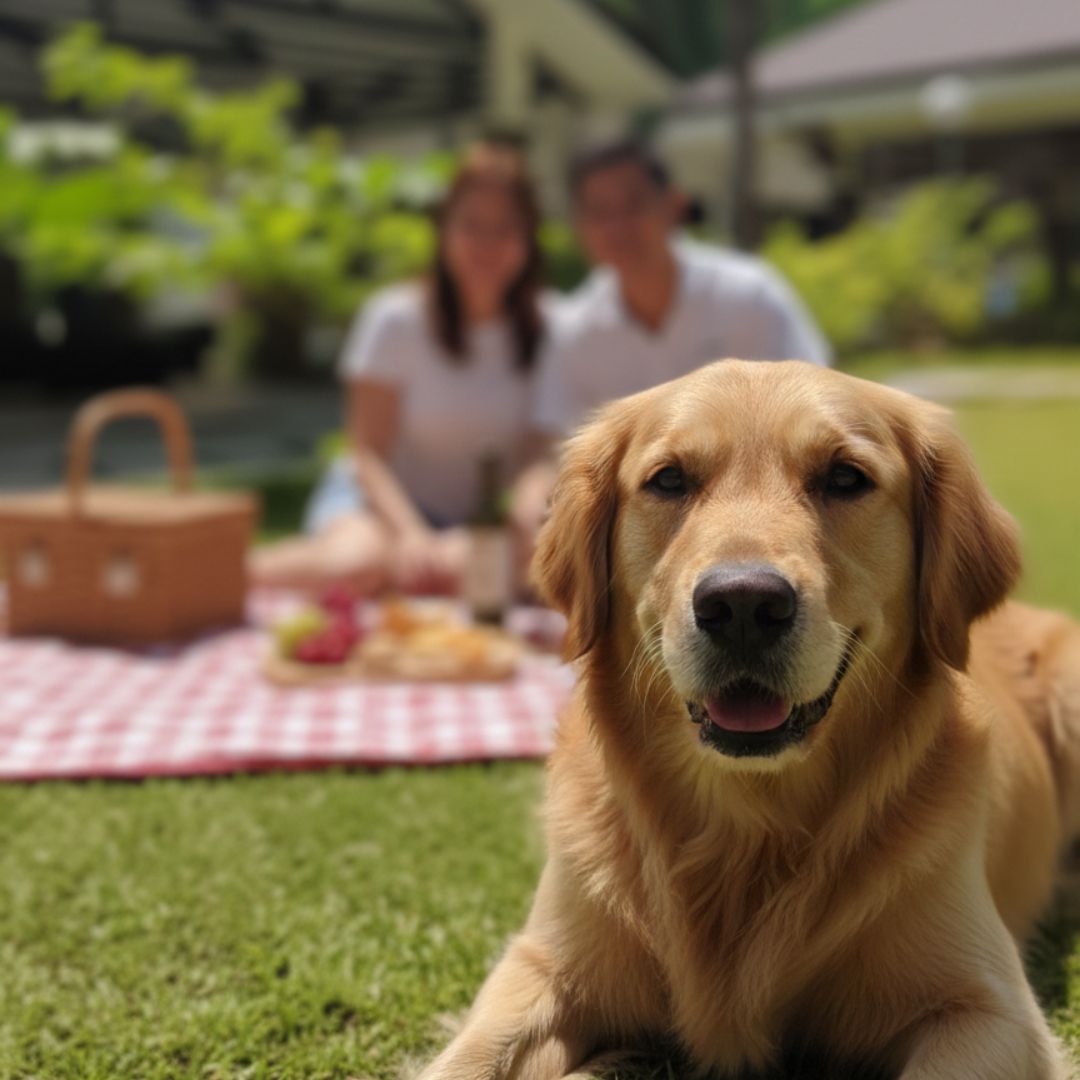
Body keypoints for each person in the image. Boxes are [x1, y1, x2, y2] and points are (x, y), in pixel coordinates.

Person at [250, 144, 547, 595]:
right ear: (443, 230)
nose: (487, 244)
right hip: (371, 505)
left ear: (528, 237)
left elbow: (539, 453)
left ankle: (401, 577)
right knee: (355, 565)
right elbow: (365, 453)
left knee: (517, 569)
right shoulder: (394, 318)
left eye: (504, 227)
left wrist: (527, 507)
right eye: (471, 225)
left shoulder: (550, 328)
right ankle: (196, 575)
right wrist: (409, 534)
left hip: (468, 524)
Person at [512, 137, 831, 541]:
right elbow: (552, 444)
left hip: (762, 514)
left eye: (633, 205)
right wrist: (532, 495)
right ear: (580, 228)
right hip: (634, 536)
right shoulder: (575, 330)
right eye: (599, 212)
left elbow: (815, 414)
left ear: (674, 206)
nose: (617, 226)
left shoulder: (748, 297)